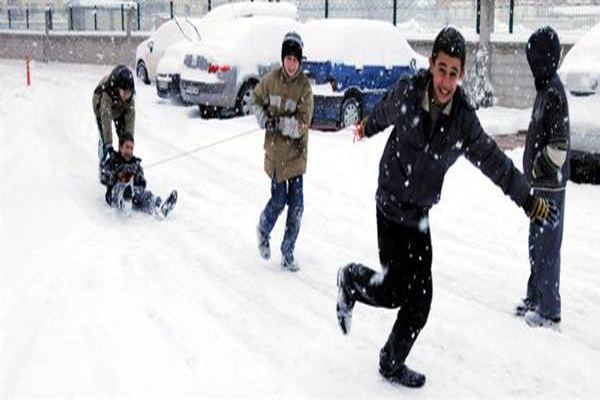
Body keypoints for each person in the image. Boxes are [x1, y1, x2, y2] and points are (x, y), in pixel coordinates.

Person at [335, 27, 559, 388]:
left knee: (420, 300)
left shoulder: (463, 123)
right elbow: (383, 113)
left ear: (461, 74)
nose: (446, 81)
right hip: (391, 205)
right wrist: (365, 127)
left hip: (419, 213)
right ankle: (350, 279)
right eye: (442, 70)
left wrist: (529, 201)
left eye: (454, 73)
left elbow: (496, 163)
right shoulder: (409, 92)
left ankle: (391, 361)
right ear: (431, 64)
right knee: (393, 291)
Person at [515, 26, 570, 329]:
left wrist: (536, 167)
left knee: (547, 246)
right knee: (536, 243)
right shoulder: (545, 89)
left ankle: (549, 310)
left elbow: (559, 149)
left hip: (550, 186)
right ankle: (535, 297)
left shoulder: (554, 94)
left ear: (543, 60)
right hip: (541, 186)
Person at [252, 31, 314, 271]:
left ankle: (287, 252)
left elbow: (302, 124)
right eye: (287, 58)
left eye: (295, 59)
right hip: (277, 156)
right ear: (283, 59)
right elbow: (255, 101)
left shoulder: (304, 88)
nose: (290, 63)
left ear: (300, 61)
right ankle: (263, 231)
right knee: (278, 201)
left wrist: (280, 123)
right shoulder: (270, 80)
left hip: (296, 155)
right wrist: (263, 118)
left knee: (296, 206)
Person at [104, 134, 177, 218]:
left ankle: (160, 206)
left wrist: (137, 176)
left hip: (133, 192)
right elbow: (104, 177)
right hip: (114, 193)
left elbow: (142, 185)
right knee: (120, 188)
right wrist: (118, 172)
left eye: (131, 148)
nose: (129, 151)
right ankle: (124, 202)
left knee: (145, 194)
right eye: (127, 147)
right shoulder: (113, 160)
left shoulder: (135, 164)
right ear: (120, 148)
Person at [93, 65, 136, 184]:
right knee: (105, 141)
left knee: (124, 136)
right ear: (118, 88)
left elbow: (130, 120)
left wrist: (128, 141)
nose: (127, 95)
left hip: (119, 110)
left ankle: (122, 168)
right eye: (124, 92)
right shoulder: (107, 92)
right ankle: (103, 166)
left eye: (129, 93)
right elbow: (106, 119)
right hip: (101, 109)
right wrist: (109, 146)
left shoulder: (129, 98)